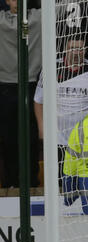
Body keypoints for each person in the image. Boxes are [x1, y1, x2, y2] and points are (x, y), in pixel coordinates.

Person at [34, 35, 88, 180]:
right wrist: (42, 128)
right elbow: (38, 100)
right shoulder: (51, 68)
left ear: (85, 50)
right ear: (64, 50)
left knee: (84, 178)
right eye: (72, 48)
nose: (76, 52)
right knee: (59, 179)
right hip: (57, 137)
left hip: (85, 138)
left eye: (80, 48)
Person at [0, 0, 41, 188]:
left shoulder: (40, 18)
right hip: (5, 87)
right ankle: (10, 183)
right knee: (8, 139)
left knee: (31, 139)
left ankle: (31, 182)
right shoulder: (1, 20)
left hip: (32, 85)